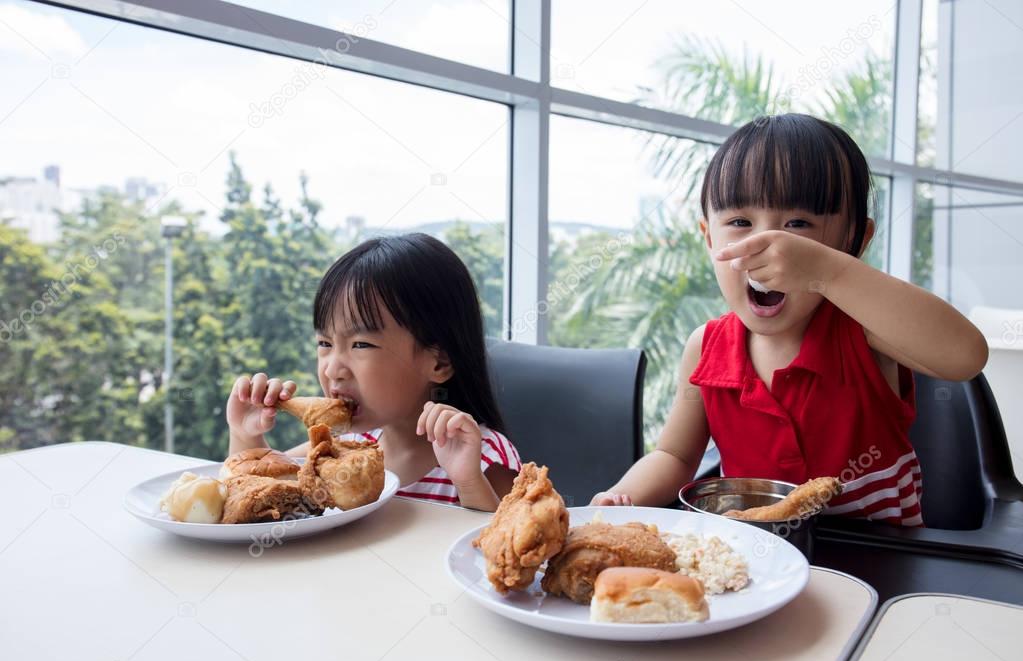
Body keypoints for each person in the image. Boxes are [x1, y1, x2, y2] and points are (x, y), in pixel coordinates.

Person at [591, 114, 988, 526]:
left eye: (798, 225)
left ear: (854, 241)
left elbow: (964, 356)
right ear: (709, 238)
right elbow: (674, 455)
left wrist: (830, 272)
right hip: (754, 566)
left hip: (880, 564)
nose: (768, 247)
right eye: (740, 223)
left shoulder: (864, 329)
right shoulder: (705, 347)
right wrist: (622, 497)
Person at [225, 233, 520, 511]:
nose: (332, 369)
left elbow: (506, 550)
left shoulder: (479, 454)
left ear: (439, 362)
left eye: (360, 344)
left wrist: (468, 481)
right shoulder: (346, 448)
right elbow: (254, 496)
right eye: (325, 343)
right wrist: (246, 435)